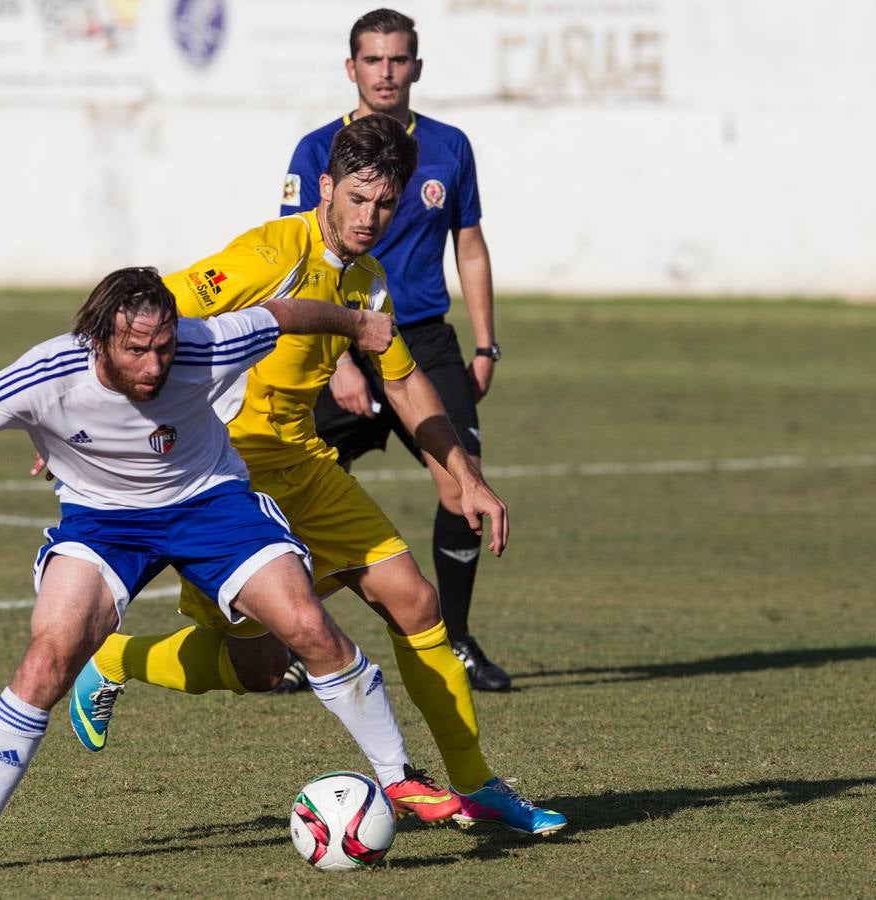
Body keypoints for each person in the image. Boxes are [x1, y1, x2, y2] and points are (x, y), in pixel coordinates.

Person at [0, 267, 459, 878]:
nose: (154, 365)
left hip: (210, 502)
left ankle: (397, 774)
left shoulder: (202, 345)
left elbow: (284, 313)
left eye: (164, 347)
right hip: (102, 521)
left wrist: (356, 325)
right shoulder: (45, 374)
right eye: (137, 350)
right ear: (99, 339)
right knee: (47, 658)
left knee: (306, 628)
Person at [76, 115, 565, 835]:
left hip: (305, 466)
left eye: (386, 205)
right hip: (228, 481)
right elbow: (146, 309)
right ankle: (115, 657)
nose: (371, 219)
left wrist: (464, 472)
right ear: (327, 188)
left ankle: (476, 785)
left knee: (416, 602)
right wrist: (84, 403)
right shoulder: (268, 253)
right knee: (261, 669)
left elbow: (403, 385)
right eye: (358, 200)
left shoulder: (368, 283)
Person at [278, 8, 511, 692]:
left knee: (461, 480)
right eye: (373, 60)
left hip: (425, 340)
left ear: (416, 66)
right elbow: (298, 262)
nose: (386, 72)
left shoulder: (448, 146)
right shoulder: (316, 149)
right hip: (336, 336)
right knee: (288, 483)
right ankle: (287, 637)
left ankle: (458, 638)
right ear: (351, 68)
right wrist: (343, 357)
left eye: (398, 59)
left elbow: (468, 244)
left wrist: (487, 342)